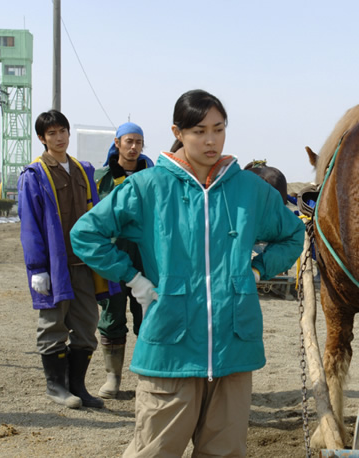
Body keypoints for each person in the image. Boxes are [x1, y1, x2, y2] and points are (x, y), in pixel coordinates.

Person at [70, 89, 305, 457]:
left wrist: (258, 271)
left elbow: (293, 234)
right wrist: (135, 280)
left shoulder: (249, 190)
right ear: (177, 132)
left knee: (225, 452)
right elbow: (86, 234)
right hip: (171, 349)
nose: (210, 140)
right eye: (198, 131)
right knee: (155, 451)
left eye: (219, 128)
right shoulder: (149, 187)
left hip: (233, 348)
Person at [18, 109, 114, 410]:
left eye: (63, 131)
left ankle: (78, 387)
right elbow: (30, 224)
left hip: (84, 263)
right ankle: (56, 388)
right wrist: (37, 268)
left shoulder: (82, 169)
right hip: (55, 266)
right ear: (42, 139)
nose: (59, 138)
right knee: (53, 324)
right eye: (52, 133)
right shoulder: (34, 175)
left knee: (87, 325)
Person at [93, 122, 154, 399]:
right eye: (129, 141)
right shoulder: (101, 179)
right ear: (117, 143)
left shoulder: (154, 176)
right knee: (111, 314)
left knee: (148, 315)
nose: (134, 147)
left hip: (146, 258)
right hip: (114, 257)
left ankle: (147, 375)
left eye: (139, 142)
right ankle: (112, 378)